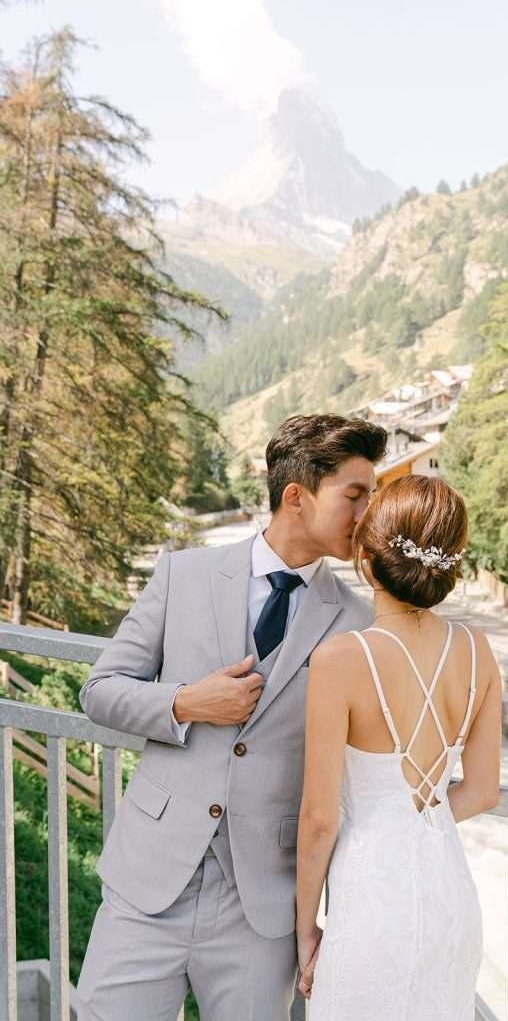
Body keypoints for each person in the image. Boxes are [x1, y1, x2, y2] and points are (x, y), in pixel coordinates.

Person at [75, 414, 387, 1021]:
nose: (367, 513)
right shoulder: (181, 574)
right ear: (295, 497)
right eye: (355, 496)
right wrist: (185, 702)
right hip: (148, 883)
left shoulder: (357, 622)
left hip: (262, 907)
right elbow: (100, 692)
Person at [296, 474, 502, 1019]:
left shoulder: (340, 659)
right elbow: (481, 791)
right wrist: (415, 819)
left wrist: (304, 932)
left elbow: (319, 819)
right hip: (450, 896)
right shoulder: (478, 651)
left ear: (367, 558)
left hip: (371, 898)